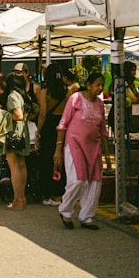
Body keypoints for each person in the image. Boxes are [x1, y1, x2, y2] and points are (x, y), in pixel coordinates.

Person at [55, 72, 111, 230]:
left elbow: (103, 131)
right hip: (74, 145)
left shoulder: (100, 104)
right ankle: (65, 211)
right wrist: (58, 150)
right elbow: (63, 124)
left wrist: (107, 157)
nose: (100, 88)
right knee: (78, 180)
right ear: (88, 84)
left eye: (102, 85)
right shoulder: (75, 99)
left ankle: (87, 216)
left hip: (94, 148)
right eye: (97, 85)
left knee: (94, 182)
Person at [36, 67, 71, 207]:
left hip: (49, 127)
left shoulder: (46, 92)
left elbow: (43, 114)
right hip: (63, 126)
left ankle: (49, 192)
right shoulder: (67, 92)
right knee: (61, 160)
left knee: (47, 160)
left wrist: (38, 131)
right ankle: (60, 192)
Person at [2, 73, 32, 211]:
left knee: (14, 166)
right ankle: (22, 197)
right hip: (23, 132)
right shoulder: (24, 96)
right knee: (22, 165)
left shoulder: (12, 96)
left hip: (14, 133)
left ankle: (17, 198)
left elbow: (18, 115)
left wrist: (3, 114)